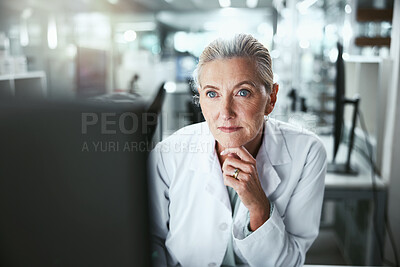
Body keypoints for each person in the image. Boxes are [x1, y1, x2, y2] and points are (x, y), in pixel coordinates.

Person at [148, 34, 327, 267]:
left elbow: (290, 261)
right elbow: (150, 241)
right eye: (212, 94)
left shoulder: (307, 153)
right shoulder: (168, 155)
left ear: (271, 98)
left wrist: (259, 207)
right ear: (200, 98)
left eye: (243, 92)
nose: (226, 112)